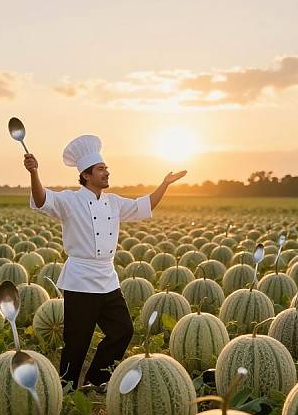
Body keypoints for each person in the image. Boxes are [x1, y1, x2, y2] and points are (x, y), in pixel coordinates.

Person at [24, 135, 187, 392]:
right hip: (80, 279)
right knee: (77, 342)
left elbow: (143, 206)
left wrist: (164, 184)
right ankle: (65, 389)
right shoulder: (70, 201)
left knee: (122, 330)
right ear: (86, 175)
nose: (107, 172)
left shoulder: (113, 202)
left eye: (106, 168)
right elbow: (42, 199)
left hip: (108, 279)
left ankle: (95, 379)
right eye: (101, 169)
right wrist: (34, 172)